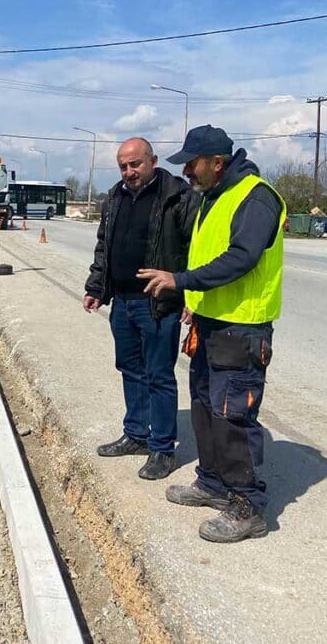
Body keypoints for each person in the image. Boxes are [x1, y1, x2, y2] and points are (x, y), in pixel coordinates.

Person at [138, 125, 285, 543]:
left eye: (192, 163)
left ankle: (247, 505)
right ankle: (214, 483)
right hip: (210, 324)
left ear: (217, 163)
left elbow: (240, 258)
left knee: (232, 414)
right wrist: (194, 301)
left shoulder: (256, 197)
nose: (186, 171)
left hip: (242, 328)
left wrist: (181, 280)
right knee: (204, 406)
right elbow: (207, 254)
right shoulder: (213, 197)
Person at [84, 138, 196, 480]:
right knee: (130, 369)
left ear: (153, 161)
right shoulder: (115, 197)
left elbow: (197, 247)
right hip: (123, 302)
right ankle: (136, 434)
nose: (129, 172)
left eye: (136, 164)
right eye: (123, 166)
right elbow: (104, 246)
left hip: (158, 304)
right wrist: (96, 288)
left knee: (159, 374)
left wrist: (190, 293)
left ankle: (162, 448)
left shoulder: (177, 196)